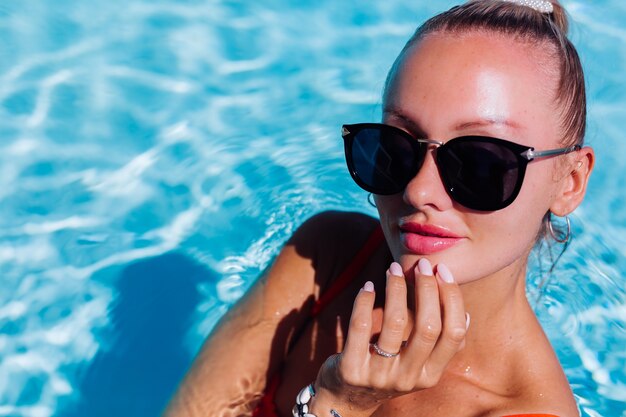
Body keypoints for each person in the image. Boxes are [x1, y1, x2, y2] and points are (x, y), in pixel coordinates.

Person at [164, 0, 594, 416]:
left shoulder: (525, 410)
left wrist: (339, 407)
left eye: (480, 163)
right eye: (395, 146)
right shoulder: (328, 257)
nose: (418, 190)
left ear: (570, 182)